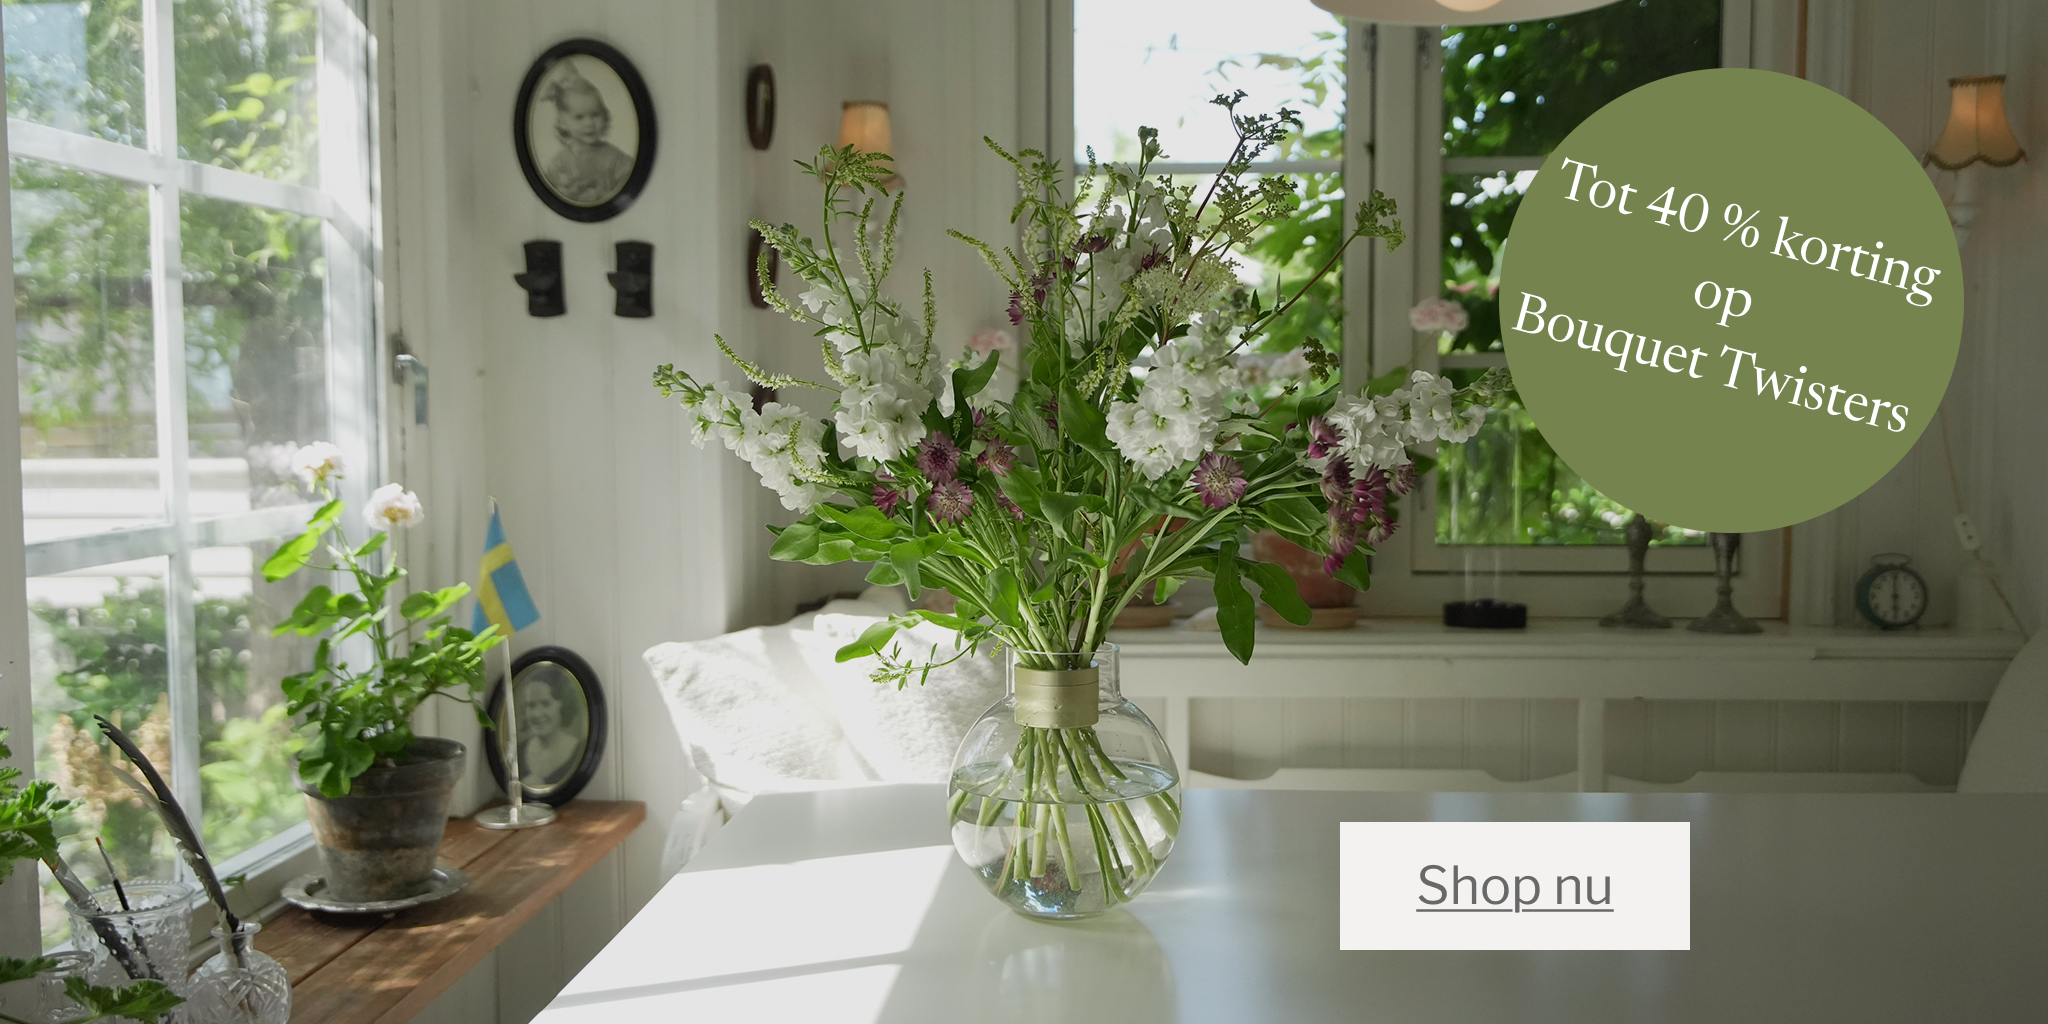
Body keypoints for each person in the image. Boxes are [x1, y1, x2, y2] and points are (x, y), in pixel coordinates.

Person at [539, 62, 633, 204]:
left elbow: (629, 188)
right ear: (563, 122)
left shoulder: (615, 159)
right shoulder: (559, 162)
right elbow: (547, 192)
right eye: (579, 117)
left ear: (605, 115)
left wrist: (602, 194)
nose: (589, 123)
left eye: (595, 115)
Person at [515, 673, 581, 788]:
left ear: (563, 704)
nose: (537, 714)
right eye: (531, 705)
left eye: (546, 704)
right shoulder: (517, 752)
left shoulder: (579, 752)